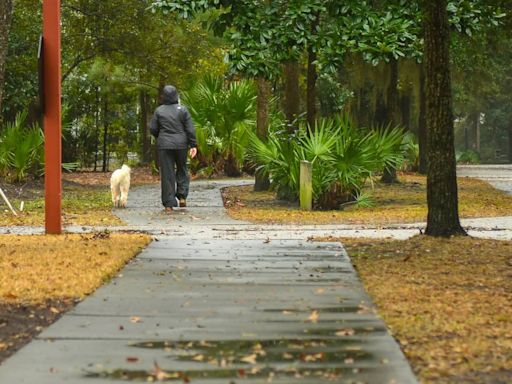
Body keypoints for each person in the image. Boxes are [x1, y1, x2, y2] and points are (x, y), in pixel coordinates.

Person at [150, 85, 197, 213]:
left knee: (167, 174)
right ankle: (182, 196)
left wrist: (161, 137)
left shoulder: (159, 111)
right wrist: (193, 145)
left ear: (164, 96)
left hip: (164, 145)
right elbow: (190, 129)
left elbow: (153, 129)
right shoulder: (183, 110)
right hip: (181, 145)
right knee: (182, 168)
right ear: (176, 95)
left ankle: (169, 204)